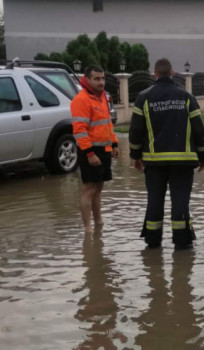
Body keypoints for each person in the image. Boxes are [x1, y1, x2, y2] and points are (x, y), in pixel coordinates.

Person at [128, 58, 204, 249]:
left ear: (154, 74)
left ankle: (153, 242)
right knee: (180, 202)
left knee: (154, 201)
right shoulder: (187, 97)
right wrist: (203, 157)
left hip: (154, 163)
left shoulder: (143, 98)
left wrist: (135, 156)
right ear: (172, 73)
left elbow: (135, 131)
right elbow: (199, 130)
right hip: (183, 162)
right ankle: (182, 243)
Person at [71, 65, 120, 234]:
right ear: (87, 79)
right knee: (89, 189)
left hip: (104, 149)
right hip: (90, 151)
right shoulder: (81, 99)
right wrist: (89, 154)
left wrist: (114, 144)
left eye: (102, 78)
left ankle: (98, 222)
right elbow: (79, 130)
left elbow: (107, 123)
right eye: (97, 79)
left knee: (99, 188)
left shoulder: (103, 97)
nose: (101, 82)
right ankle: (87, 228)